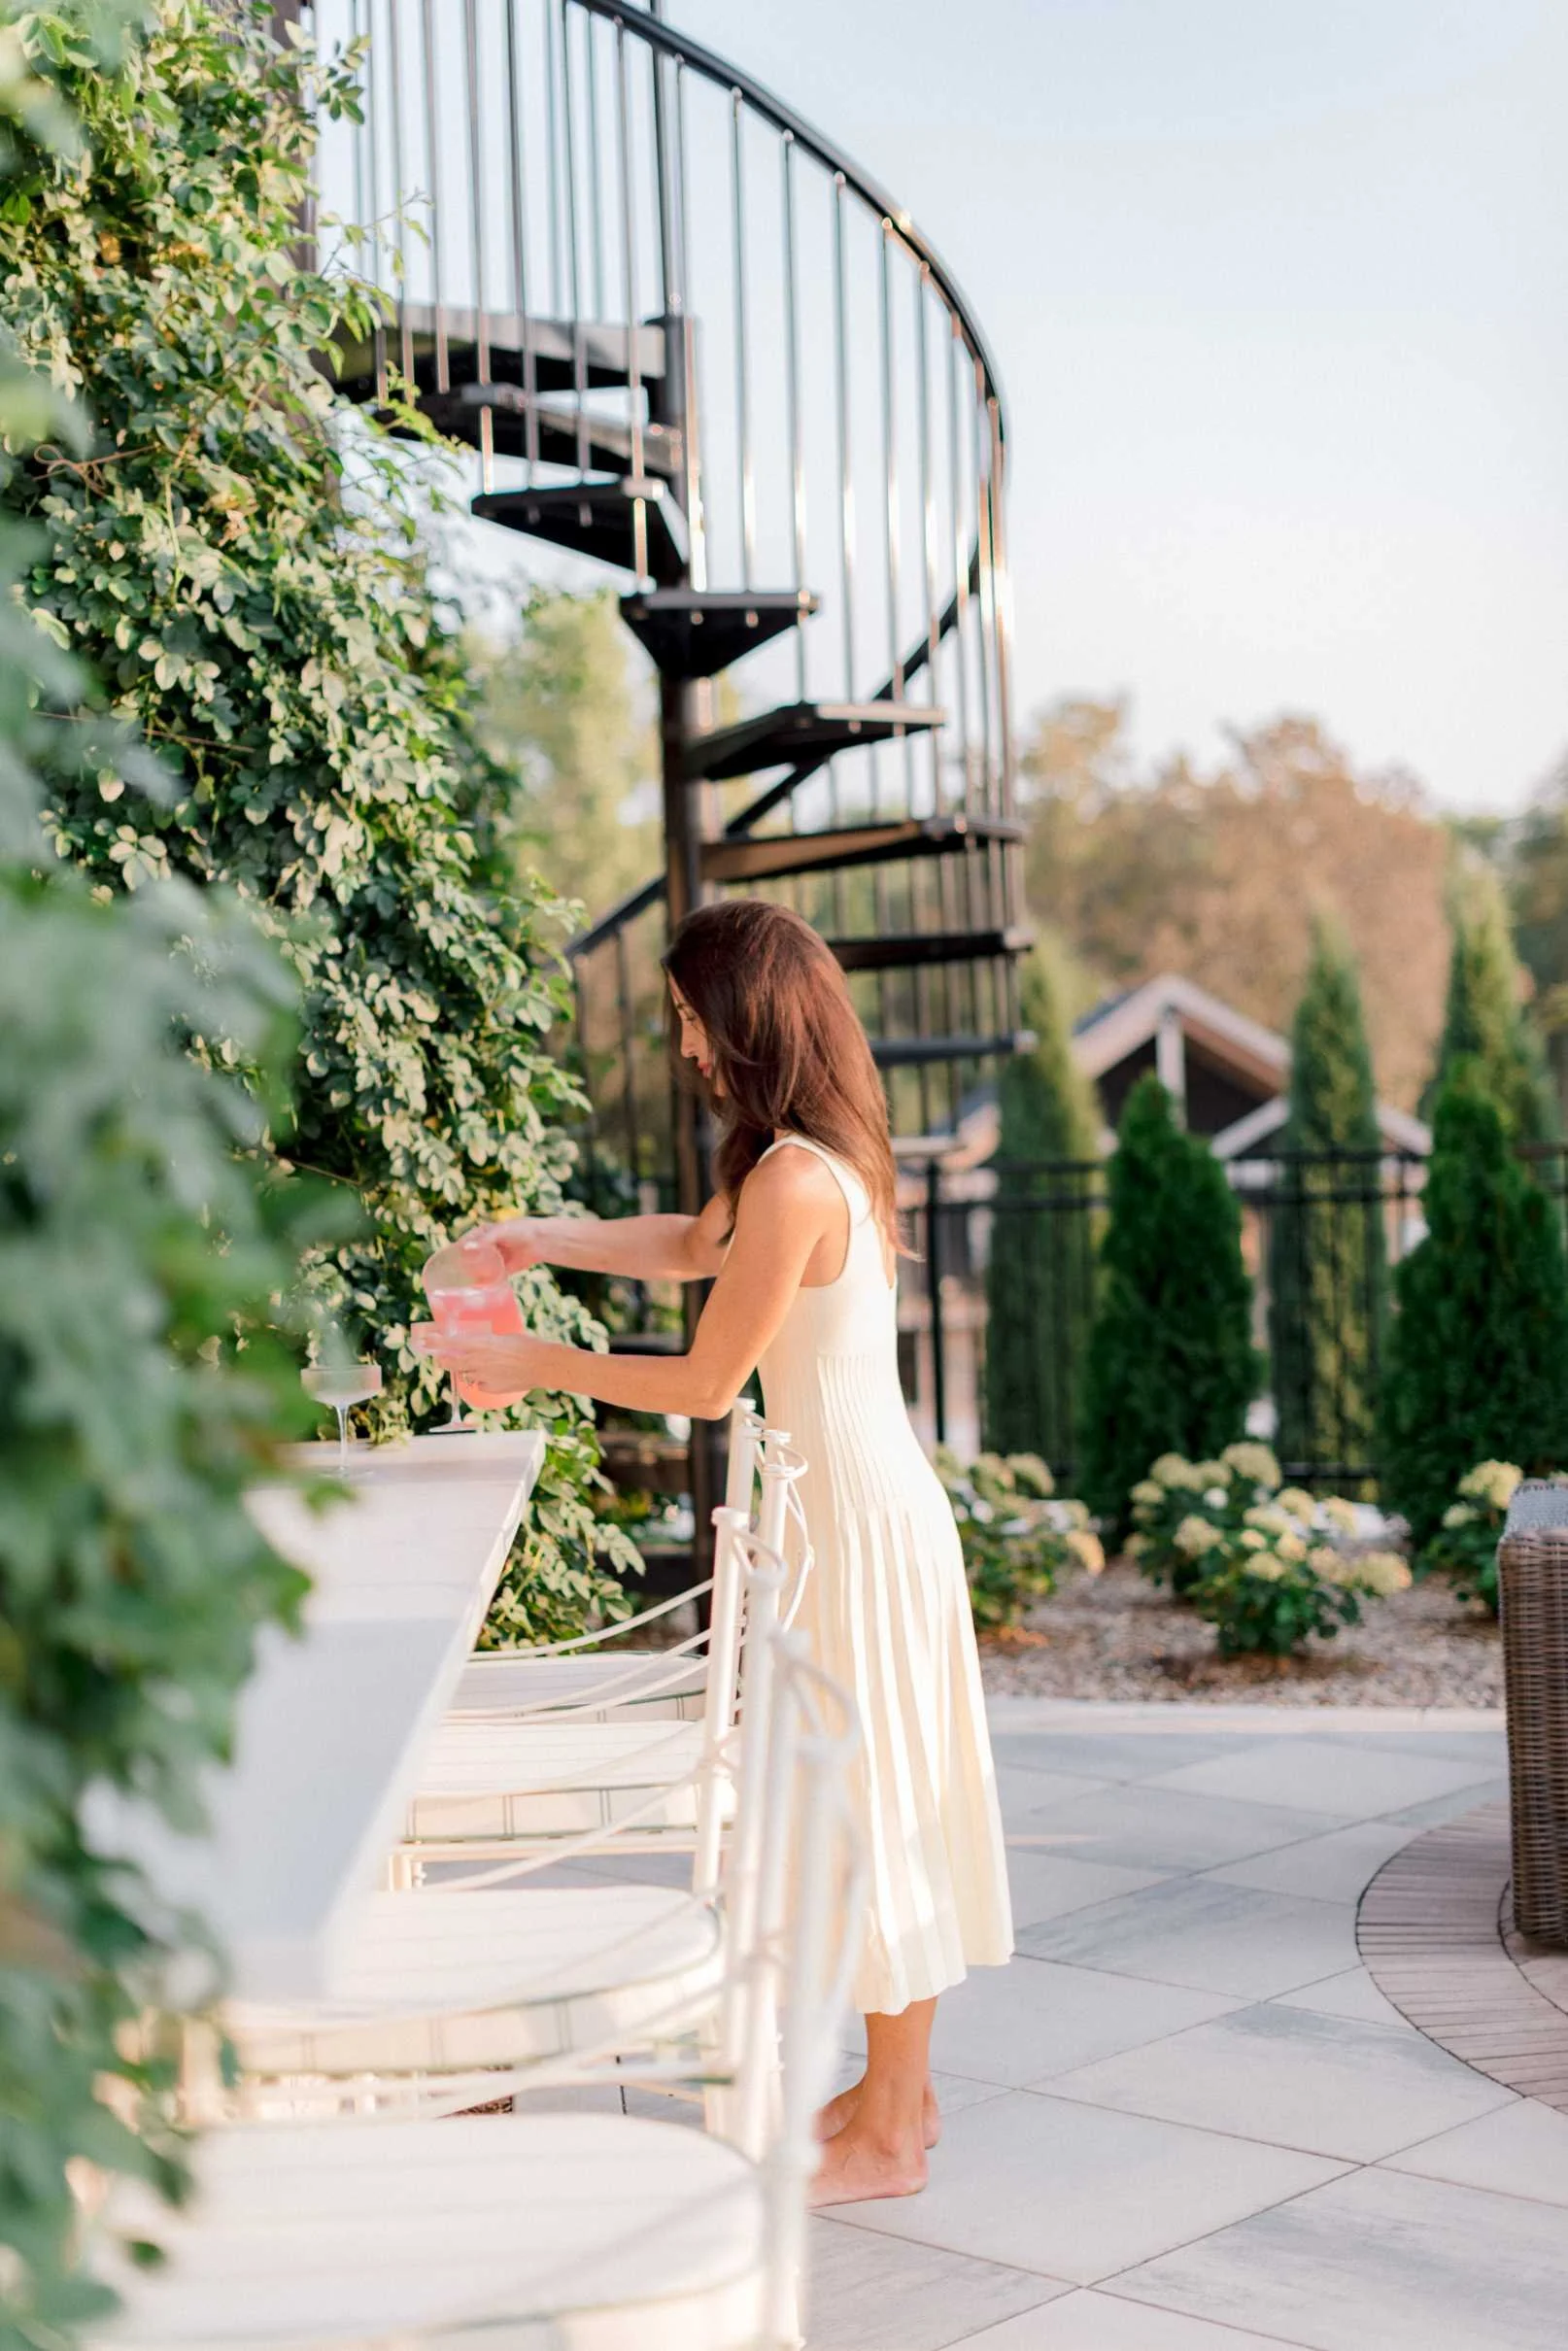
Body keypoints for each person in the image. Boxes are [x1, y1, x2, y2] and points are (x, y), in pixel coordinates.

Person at [415, 898, 1013, 2205]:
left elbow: (704, 1380)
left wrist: (535, 1359)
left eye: (693, 1018)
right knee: (854, 1797)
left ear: (746, 1017)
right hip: (840, 1510)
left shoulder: (800, 1176)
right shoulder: (784, 1161)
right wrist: (542, 1239)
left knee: (874, 1808)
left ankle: (888, 2133)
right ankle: (890, 2097)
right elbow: (695, 1250)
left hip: (859, 1521)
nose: (685, 1045)